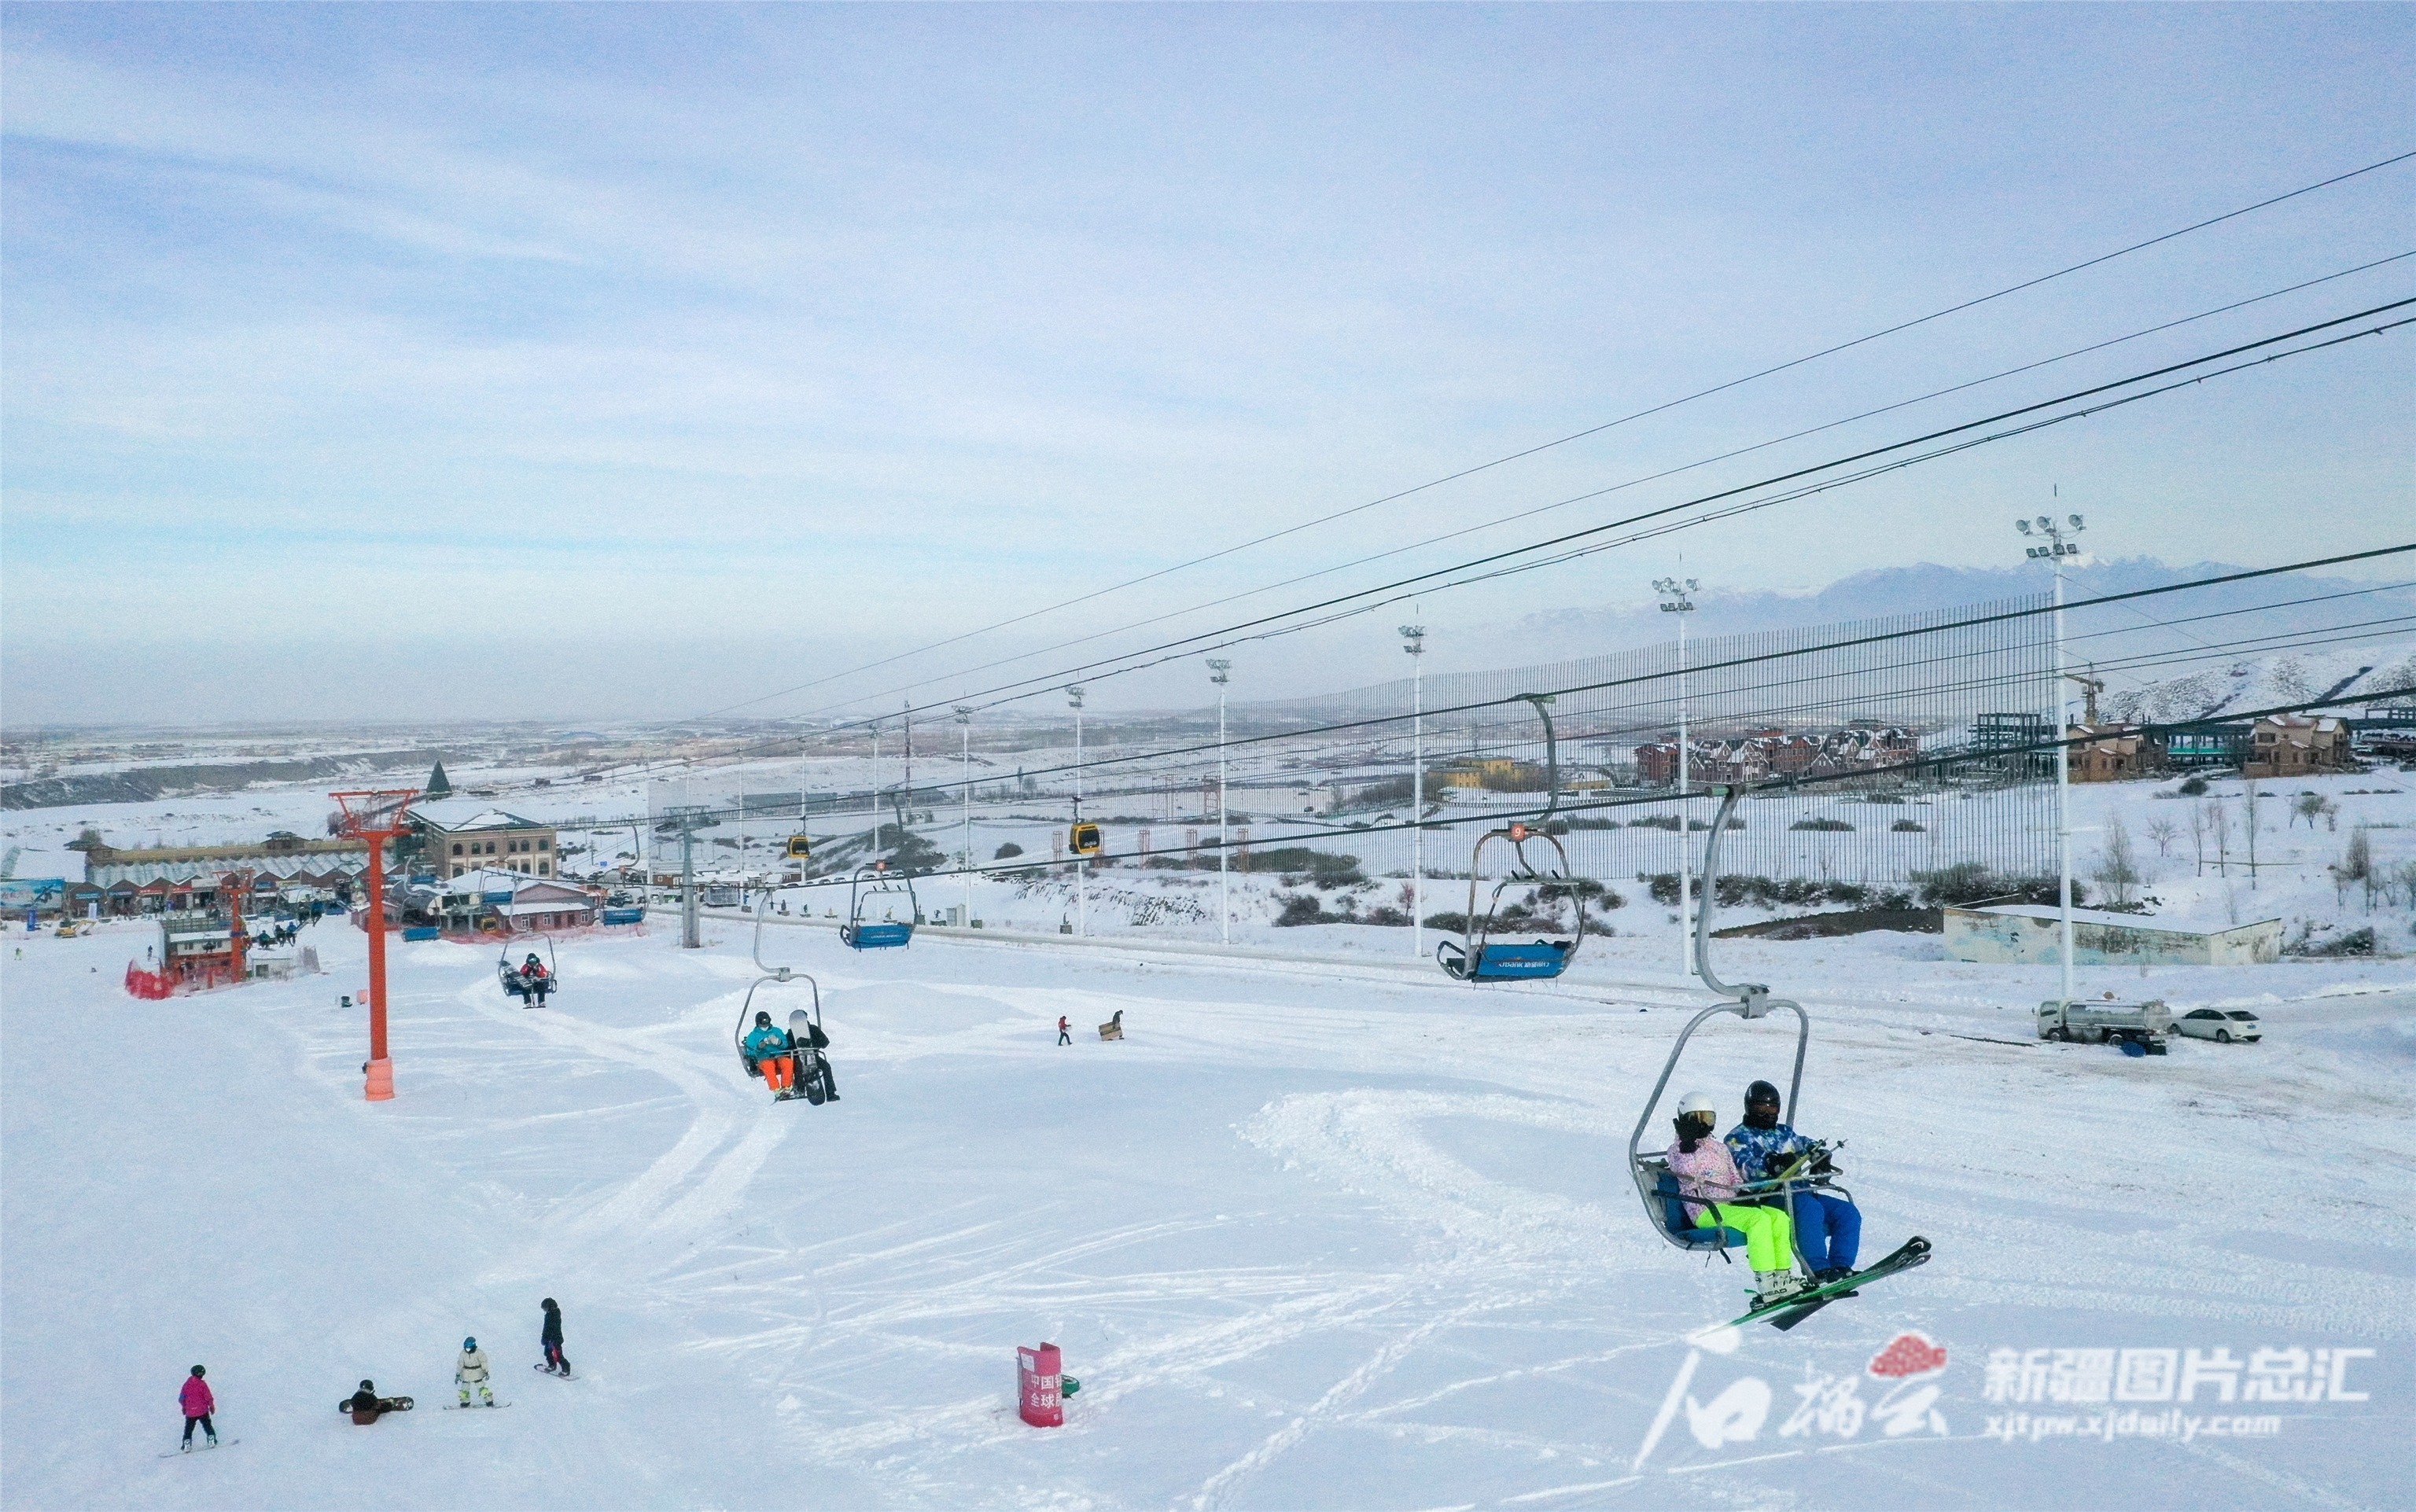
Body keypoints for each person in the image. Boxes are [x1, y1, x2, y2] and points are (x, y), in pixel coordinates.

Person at [1664, 1090, 1806, 1304]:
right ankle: (1767, 1283)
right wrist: (1687, 1144)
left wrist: (1744, 1193)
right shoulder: (1677, 1151)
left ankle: (1781, 1278)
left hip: (1730, 1205)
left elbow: (1733, 1176)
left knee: (1778, 1217)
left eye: (1708, 1118)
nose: (1703, 1124)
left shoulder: (1720, 1148)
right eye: (1697, 1118)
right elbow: (1687, 1175)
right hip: (1705, 1210)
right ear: (1684, 1119)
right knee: (1758, 1221)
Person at [1725, 1079, 1862, 1284]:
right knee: (1810, 1209)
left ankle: (1841, 1266)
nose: (1766, 1113)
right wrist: (1771, 1163)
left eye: (1772, 1108)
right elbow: (1744, 1166)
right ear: (1749, 1107)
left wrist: (1820, 1157)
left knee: (1847, 1213)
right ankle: (1818, 1269)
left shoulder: (1785, 1133)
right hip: (1769, 1196)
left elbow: (1807, 1144)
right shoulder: (1737, 1137)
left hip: (1800, 1193)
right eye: (1760, 1107)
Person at [743, 1010, 797, 1095]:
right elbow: (750, 1052)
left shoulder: (777, 1031)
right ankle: (776, 1089)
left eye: (766, 1024)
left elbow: (786, 1045)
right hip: (764, 1058)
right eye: (762, 1024)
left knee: (787, 1063)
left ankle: (786, 1087)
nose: (765, 1026)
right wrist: (759, 1047)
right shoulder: (753, 1036)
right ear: (758, 1024)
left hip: (779, 1056)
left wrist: (779, 1043)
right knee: (768, 1066)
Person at [179, 1365, 217, 1450]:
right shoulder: (202, 1384)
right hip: (202, 1410)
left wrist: (184, 1407)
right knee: (207, 1426)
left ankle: (186, 1444)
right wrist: (211, 1405)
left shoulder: (186, 1385)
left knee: (188, 1429)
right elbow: (208, 1396)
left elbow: (181, 1398)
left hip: (190, 1412)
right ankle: (212, 1440)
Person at [455, 1337, 494, 1407]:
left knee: (482, 1388)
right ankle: (465, 1402)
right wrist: (458, 1373)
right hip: (466, 1373)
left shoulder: (479, 1353)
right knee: (464, 1389)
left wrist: (486, 1371)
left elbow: (484, 1362)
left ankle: (489, 1401)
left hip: (477, 1373)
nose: (467, 1349)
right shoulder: (463, 1354)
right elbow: (460, 1364)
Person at [540, 1298, 571, 1376]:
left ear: (550, 1307)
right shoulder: (548, 1315)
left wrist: (552, 1339)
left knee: (558, 1355)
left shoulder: (555, 1315)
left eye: (545, 1308)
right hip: (548, 1339)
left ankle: (566, 1368)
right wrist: (544, 1337)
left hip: (555, 1339)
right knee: (547, 1352)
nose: (545, 1310)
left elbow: (554, 1328)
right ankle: (552, 1365)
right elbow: (546, 1327)